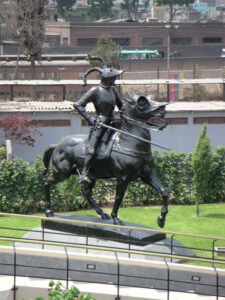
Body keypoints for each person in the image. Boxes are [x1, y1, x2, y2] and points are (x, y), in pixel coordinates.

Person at [73, 55, 124, 184]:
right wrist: (90, 120)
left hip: (114, 122)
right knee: (92, 148)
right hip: (100, 124)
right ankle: (84, 173)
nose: (115, 80)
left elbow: (121, 106)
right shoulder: (95, 91)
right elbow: (78, 105)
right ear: (108, 79)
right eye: (114, 78)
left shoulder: (113, 90)